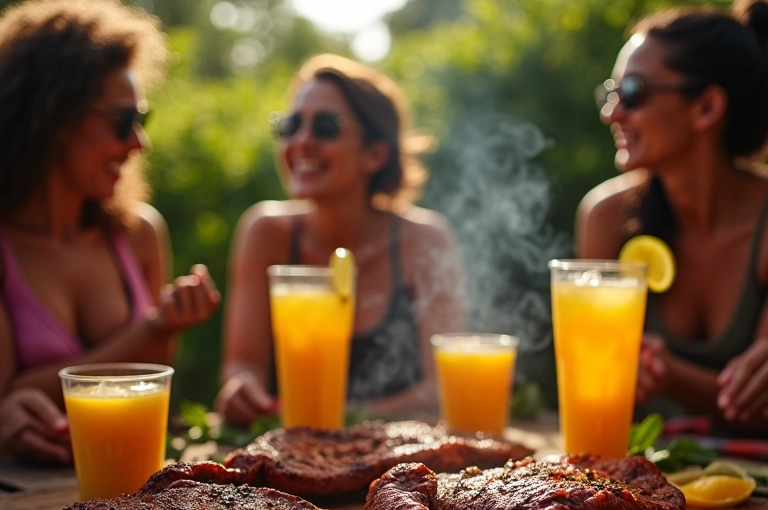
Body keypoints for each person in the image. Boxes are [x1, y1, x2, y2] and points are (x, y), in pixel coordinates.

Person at [0, 0, 220, 463]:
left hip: (132, 482)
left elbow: (154, 387)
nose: (140, 142)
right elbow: (6, 401)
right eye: (123, 121)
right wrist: (153, 328)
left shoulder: (139, 234)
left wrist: (163, 328)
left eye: (142, 119)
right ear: (54, 116)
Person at [215, 53, 466, 427]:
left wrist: (340, 420)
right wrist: (241, 389)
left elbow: (443, 385)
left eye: (326, 127)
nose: (301, 142)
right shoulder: (265, 233)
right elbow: (242, 365)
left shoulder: (424, 241)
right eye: (291, 125)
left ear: (375, 154)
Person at [576, 0, 768, 435]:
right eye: (611, 93)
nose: (611, 113)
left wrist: (670, 375)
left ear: (707, 107)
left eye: (632, 93)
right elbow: (595, 383)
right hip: (642, 469)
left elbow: (759, 404)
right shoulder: (606, 216)